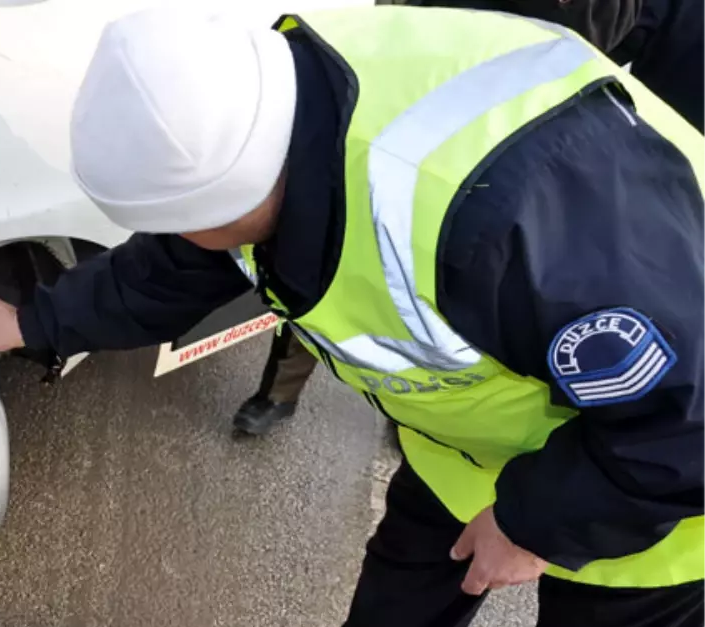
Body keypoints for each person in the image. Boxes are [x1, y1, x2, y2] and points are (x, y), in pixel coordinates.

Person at [0, 6, 705, 627]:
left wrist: (534, 524)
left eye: (186, 223)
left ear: (233, 198)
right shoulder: (268, 105)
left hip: (661, 496)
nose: (181, 239)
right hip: (470, 453)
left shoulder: (496, 215)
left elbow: (688, 419)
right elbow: (179, 263)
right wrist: (35, 319)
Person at [233, 0, 703, 437]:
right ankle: (280, 390)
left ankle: (430, 412)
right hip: (395, 92)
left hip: (498, 139)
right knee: (314, 254)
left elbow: (601, 42)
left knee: (453, 301)